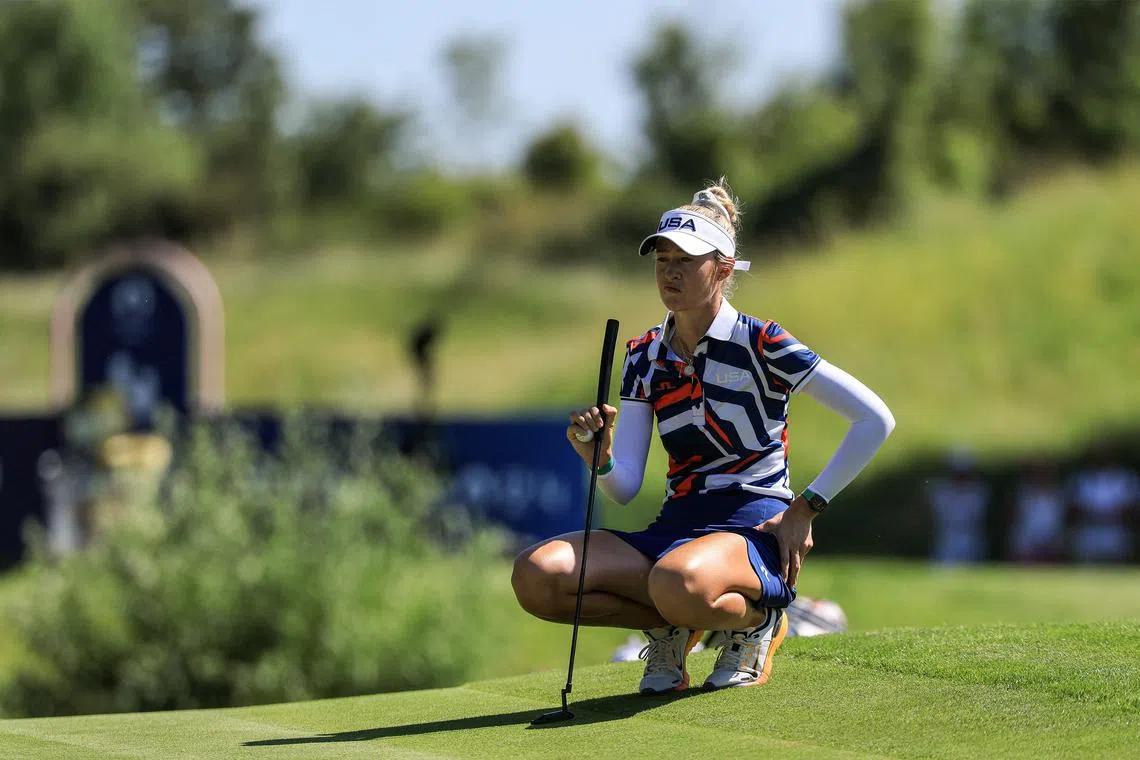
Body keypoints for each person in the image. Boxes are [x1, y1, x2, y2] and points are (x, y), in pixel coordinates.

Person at [511, 179, 895, 694]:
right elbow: (624, 487)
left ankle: (755, 622)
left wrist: (806, 508)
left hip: (755, 525)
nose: (670, 272)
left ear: (723, 268)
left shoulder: (763, 342)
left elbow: (874, 419)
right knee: (538, 575)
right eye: (662, 259)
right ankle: (675, 625)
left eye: (686, 260)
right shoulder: (643, 355)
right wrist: (599, 458)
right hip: (676, 526)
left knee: (676, 580)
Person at [927, 447, 990, 565]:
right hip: (946, 539)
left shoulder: (978, 492)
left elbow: (975, 518)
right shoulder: (940, 492)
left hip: (970, 539)